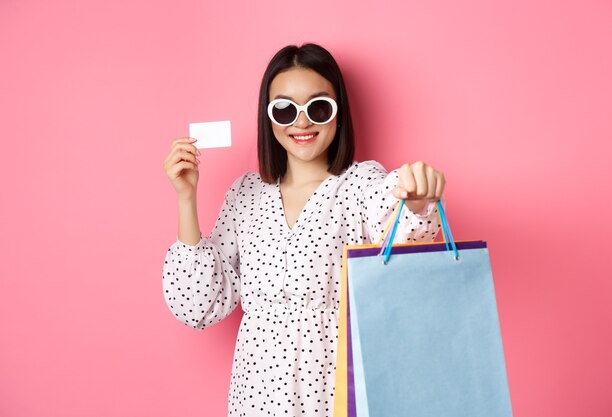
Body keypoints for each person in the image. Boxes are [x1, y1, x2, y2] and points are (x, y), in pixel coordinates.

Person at [162, 43, 445, 416]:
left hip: (332, 386)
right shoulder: (246, 194)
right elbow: (199, 305)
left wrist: (417, 198)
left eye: (318, 107)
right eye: (284, 109)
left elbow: (404, 221)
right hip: (257, 391)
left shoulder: (360, 184)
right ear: (269, 118)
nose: (301, 122)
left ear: (338, 114)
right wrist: (186, 198)